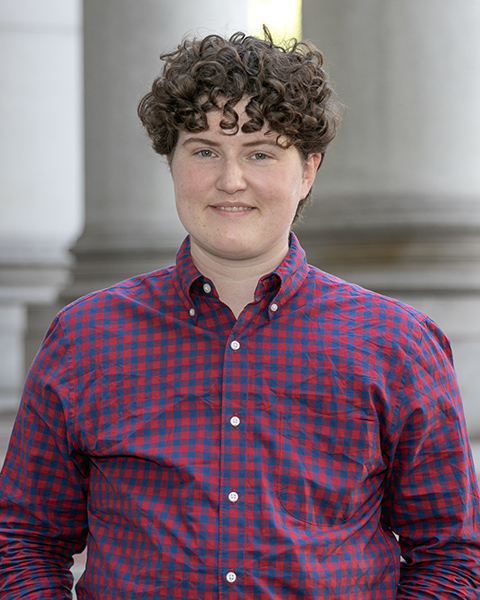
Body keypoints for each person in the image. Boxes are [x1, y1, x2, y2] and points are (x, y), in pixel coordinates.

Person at [1, 27, 479, 600]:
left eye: (261, 152)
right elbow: (23, 539)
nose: (231, 180)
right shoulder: (87, 337)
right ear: (171, 164)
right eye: (204, 150)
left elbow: (452, 555)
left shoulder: (397, 343)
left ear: (307, 170)